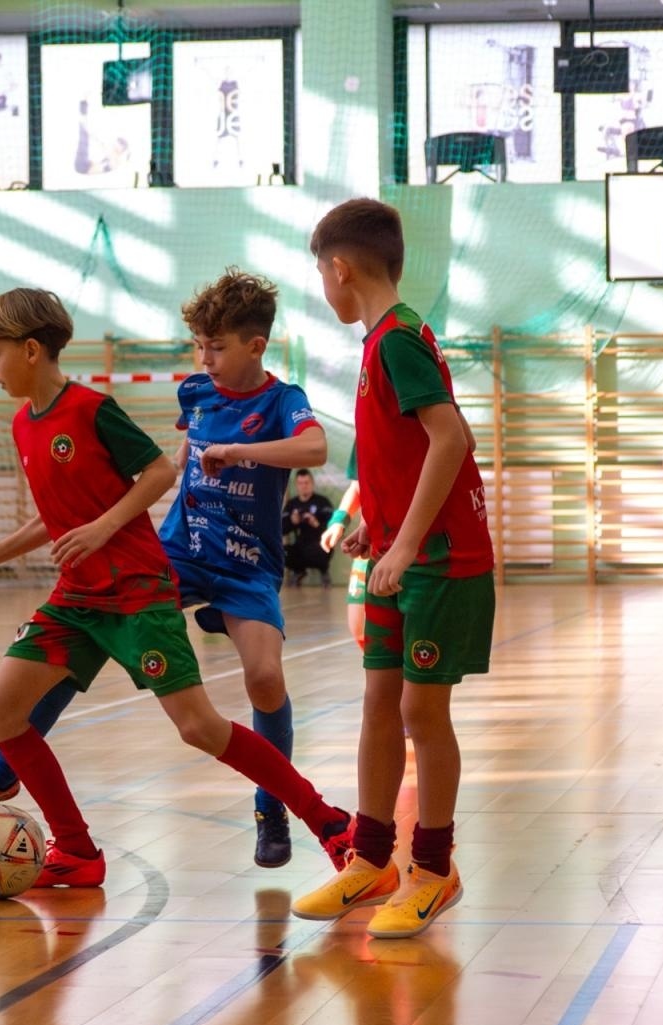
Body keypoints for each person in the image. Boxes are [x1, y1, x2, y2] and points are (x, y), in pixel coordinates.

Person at [0, 288, 352, 887]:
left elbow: (159, 471)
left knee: (209, 720)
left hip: (157, 583)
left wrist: (106, 526)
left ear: (30, 350)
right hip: (96, 588)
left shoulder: (95, 410)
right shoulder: (26, 424)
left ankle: (320, 819)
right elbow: (70, 509)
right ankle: (73, 847)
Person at [291, 198, 495, 938]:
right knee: (379, 703)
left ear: (340, 269)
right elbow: (406, 451)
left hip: (440, 561)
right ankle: (371, 860)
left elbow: (452, 438)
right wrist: (376, 526)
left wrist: (405, 543)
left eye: (322, 274)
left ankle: (434, 870)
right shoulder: (384, 339)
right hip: (399, 551)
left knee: (420, 713)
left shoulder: (399, 340)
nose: (325, 288)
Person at [321, 477, 367, 648]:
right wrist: (338, 521)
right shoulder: (360, 458)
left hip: (408, 546)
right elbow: (356, 486)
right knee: (358, 625)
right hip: (370, 545)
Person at [282, 468, 334, 587]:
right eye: (300, 483)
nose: (304, 486)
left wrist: (316, 524)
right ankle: (299, 571)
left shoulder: (322, 502)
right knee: (281, 553)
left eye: (306, 483)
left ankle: (324, 570)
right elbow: (281, 530)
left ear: (312, 483)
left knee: (323, 549)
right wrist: (292, 522)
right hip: (299, 546)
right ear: (296, 485)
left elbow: (333, 528)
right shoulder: (292, 504)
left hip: (319, 546)